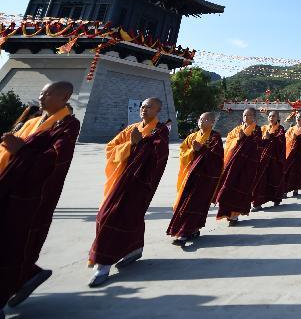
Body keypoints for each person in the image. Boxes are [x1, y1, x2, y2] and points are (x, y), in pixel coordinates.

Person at [0, 82, 80, 308]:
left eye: (47, 94)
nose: (41, 97)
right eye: (41, 93)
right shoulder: (32, 122)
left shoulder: (68, 125)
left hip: (31, 195)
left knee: (13, 242)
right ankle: (28, 276)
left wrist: (21, 150)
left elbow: (55, 160)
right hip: (8, 184)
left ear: (65, 97)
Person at [88, 98, 170, 287]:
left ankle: (103, 262)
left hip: (140, 181)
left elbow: (160, 156)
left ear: (158, 109)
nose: (144, 109)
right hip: (121, 179)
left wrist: (140, 145)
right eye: (142, 106)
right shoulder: (131, 129)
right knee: (114, 214)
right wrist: (131, 145)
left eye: (149, 106)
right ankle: (134, 248)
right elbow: (110, 149)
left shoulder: (160, 131)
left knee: (113, 215)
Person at [166, 112, 223, 245]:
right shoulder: (192, 136)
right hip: (190, 175)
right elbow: (182, 152)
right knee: (185, 202)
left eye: (206, 119)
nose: (202, 121)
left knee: (196, 203)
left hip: (205, 178)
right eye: (201, 118)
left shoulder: (215, 137)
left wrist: (202, 149)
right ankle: (189, 230)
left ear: (212, 122)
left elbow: (217, 158)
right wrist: (193, 151)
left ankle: (185, 232)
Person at [215, 108, 261, 225]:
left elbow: (257, 145)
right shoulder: (237, 129)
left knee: (242, 189)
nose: (246, 117)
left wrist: (244, 138)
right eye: (244, 115)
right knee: (228, 187)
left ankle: (234, 216)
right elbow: (229, 142)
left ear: (254, 117)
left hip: (247, 165)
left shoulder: (257, 130)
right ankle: (228, 213)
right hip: (233, 164)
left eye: (249, 115)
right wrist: (238, 139)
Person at [251, 110, 286, 211]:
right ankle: (257, 203)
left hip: (275, 159)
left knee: (275, 178)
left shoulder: (280, 129)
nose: (271, 118)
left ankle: (276, 198)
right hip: (263, 158)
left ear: (277, 117)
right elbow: (258, 141)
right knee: (260, 178)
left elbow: (280, 141)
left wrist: (270, 137)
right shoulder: (263, 128)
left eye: (274, 116)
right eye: (270, 116)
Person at [283, 113, 301, 197]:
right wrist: (292, 138)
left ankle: (295, 188)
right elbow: (286, 139)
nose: (299, 118)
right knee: (287, 171)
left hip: (300, 154)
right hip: (290, 153)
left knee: (297, 172)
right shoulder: (291, 129)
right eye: (297, 117)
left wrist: (298, 138)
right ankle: (285, 191)